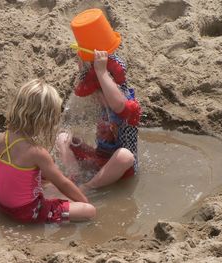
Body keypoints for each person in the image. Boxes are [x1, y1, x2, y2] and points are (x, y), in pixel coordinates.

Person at [57, 9, 141, 189]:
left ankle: (87, 187)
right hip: (99, 158)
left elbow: (119, 106)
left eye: (102, 89)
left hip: (120, 168)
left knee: (125, 155)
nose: (98, 95)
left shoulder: (129, 104)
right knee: (64, 138)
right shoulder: (98, 96)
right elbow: (82, 88)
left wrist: (102, 72)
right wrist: (85, 66)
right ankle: (74, 177)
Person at [0, 79, 96, 224]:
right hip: (27, 212)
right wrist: (85, 202)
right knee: (88, 211)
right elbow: (63, 183)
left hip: (2, 205)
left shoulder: (3, 137)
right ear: (43, 119)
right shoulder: (36, 152)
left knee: (46, 180)